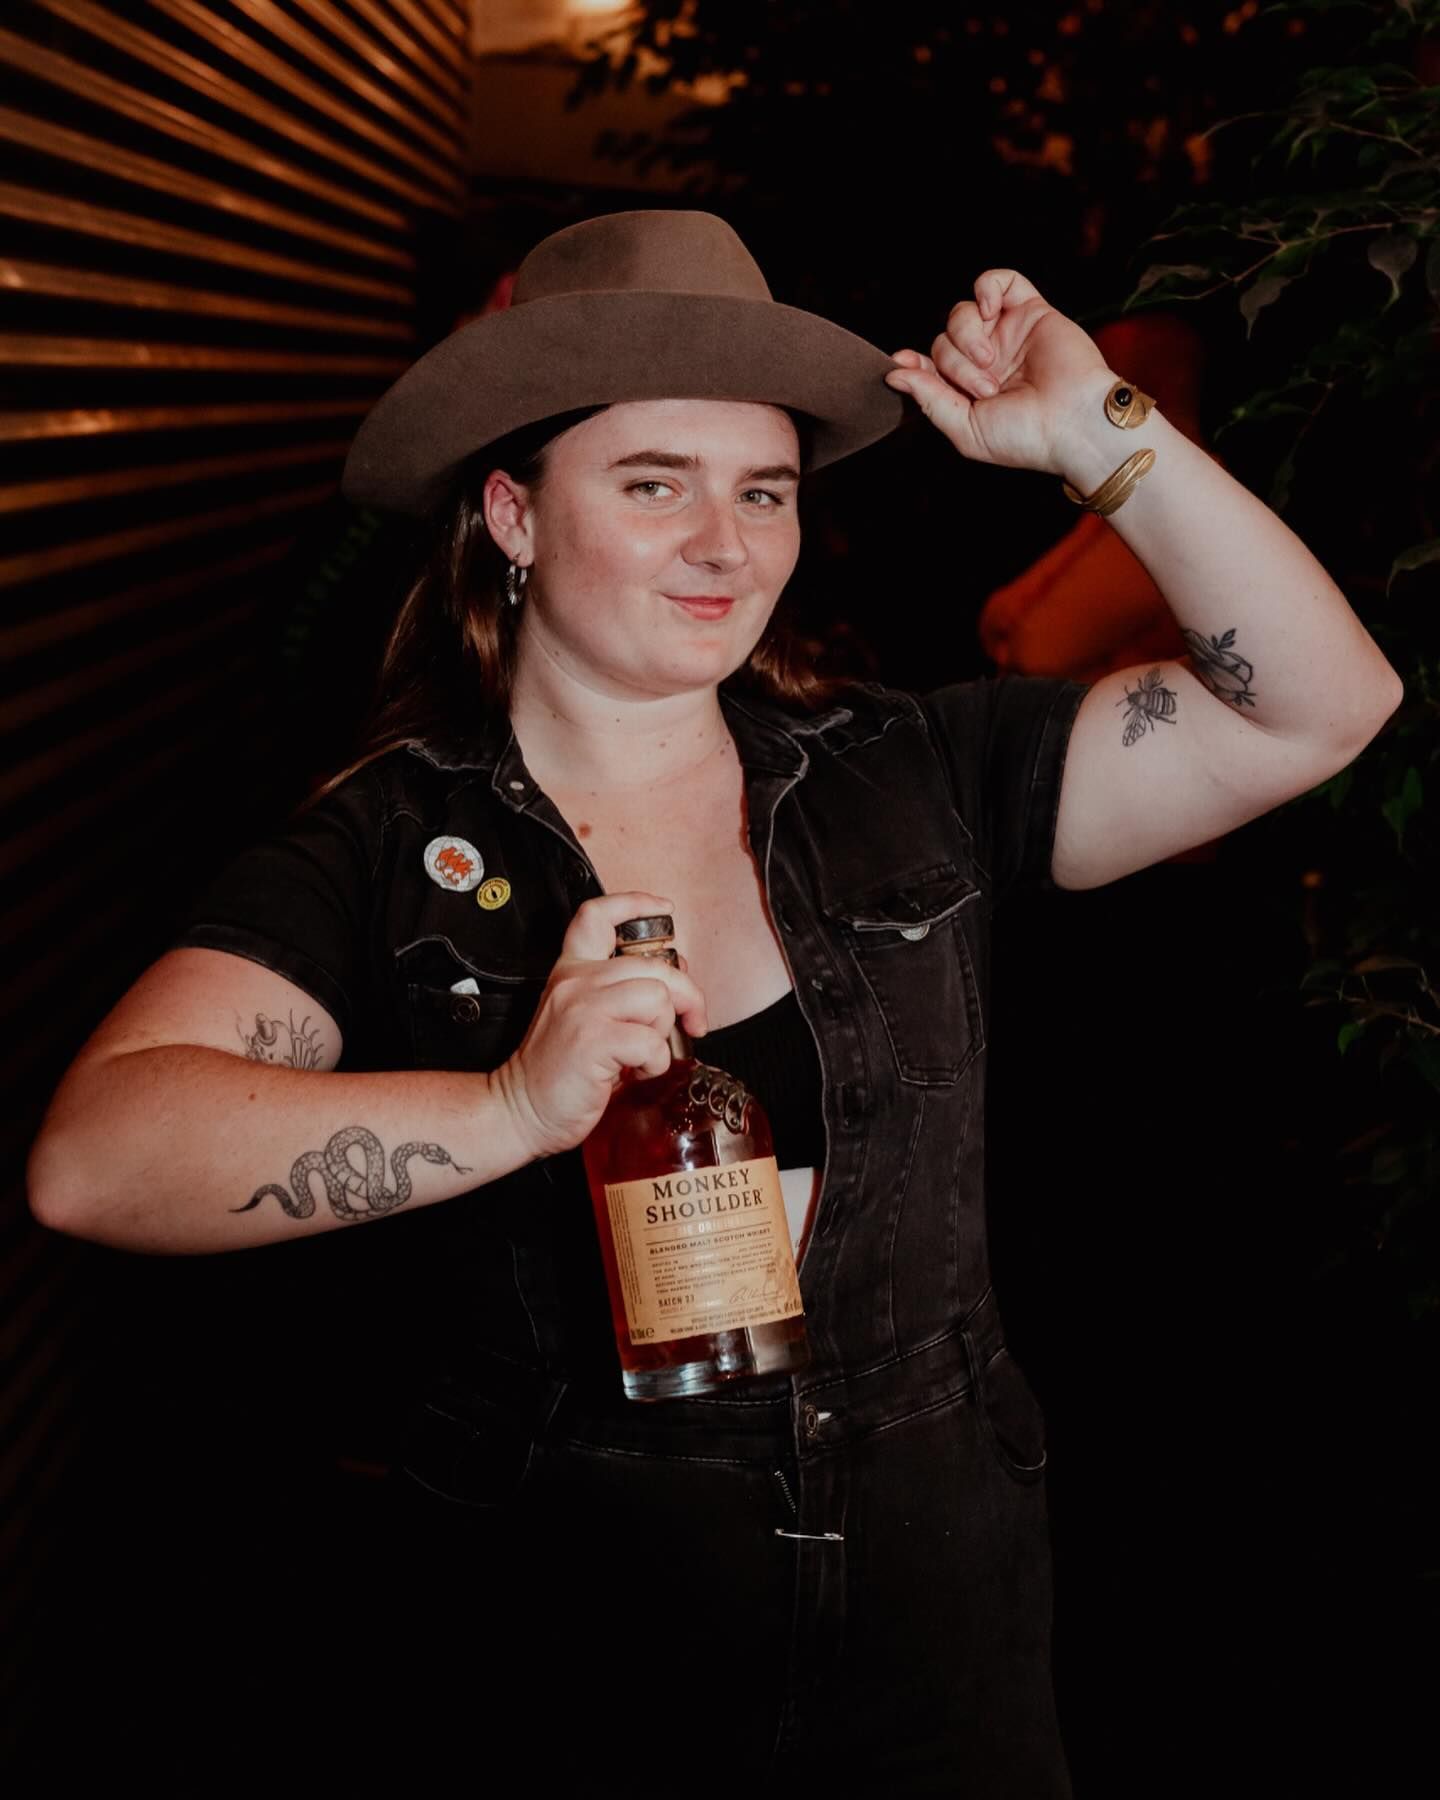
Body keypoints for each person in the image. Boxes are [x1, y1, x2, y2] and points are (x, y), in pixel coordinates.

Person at [26, 209, 1401, 1793]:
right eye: (653, 481)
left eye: (764, 491)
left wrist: (1099, 434)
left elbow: (1322, 703)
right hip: (567, 1654)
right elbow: (98, 1158)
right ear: (512, 514)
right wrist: (505, 1107)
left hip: (939, 1630)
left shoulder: (915, 771)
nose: (725, 543)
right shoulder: (392, 844)